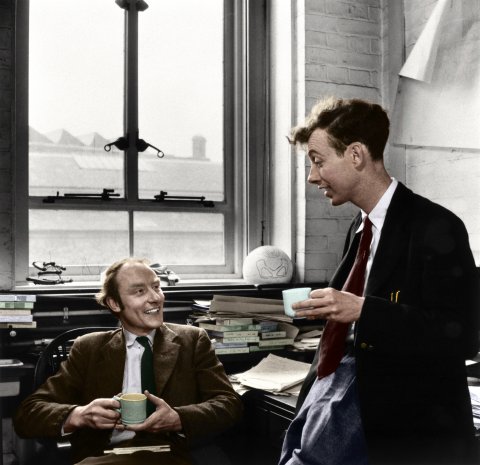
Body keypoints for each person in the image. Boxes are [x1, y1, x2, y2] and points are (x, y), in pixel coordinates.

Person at [279, 97, 479, 465]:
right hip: (343, 393)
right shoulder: (360, 228)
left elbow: (462, 335)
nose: (312, 176)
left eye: (319, 161)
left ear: (355, 155)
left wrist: (363, 310)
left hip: (403, 424)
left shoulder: (436, 226)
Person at [14, 258, 243, 465]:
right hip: (104, 456)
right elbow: (28, 415)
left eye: (156, 287)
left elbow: (229, 404)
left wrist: (179, 418)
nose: (155, 297)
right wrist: (79, 415)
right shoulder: (88, 348)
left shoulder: (192, 341)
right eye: (139, 291)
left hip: (172, 455)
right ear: (115, 304)